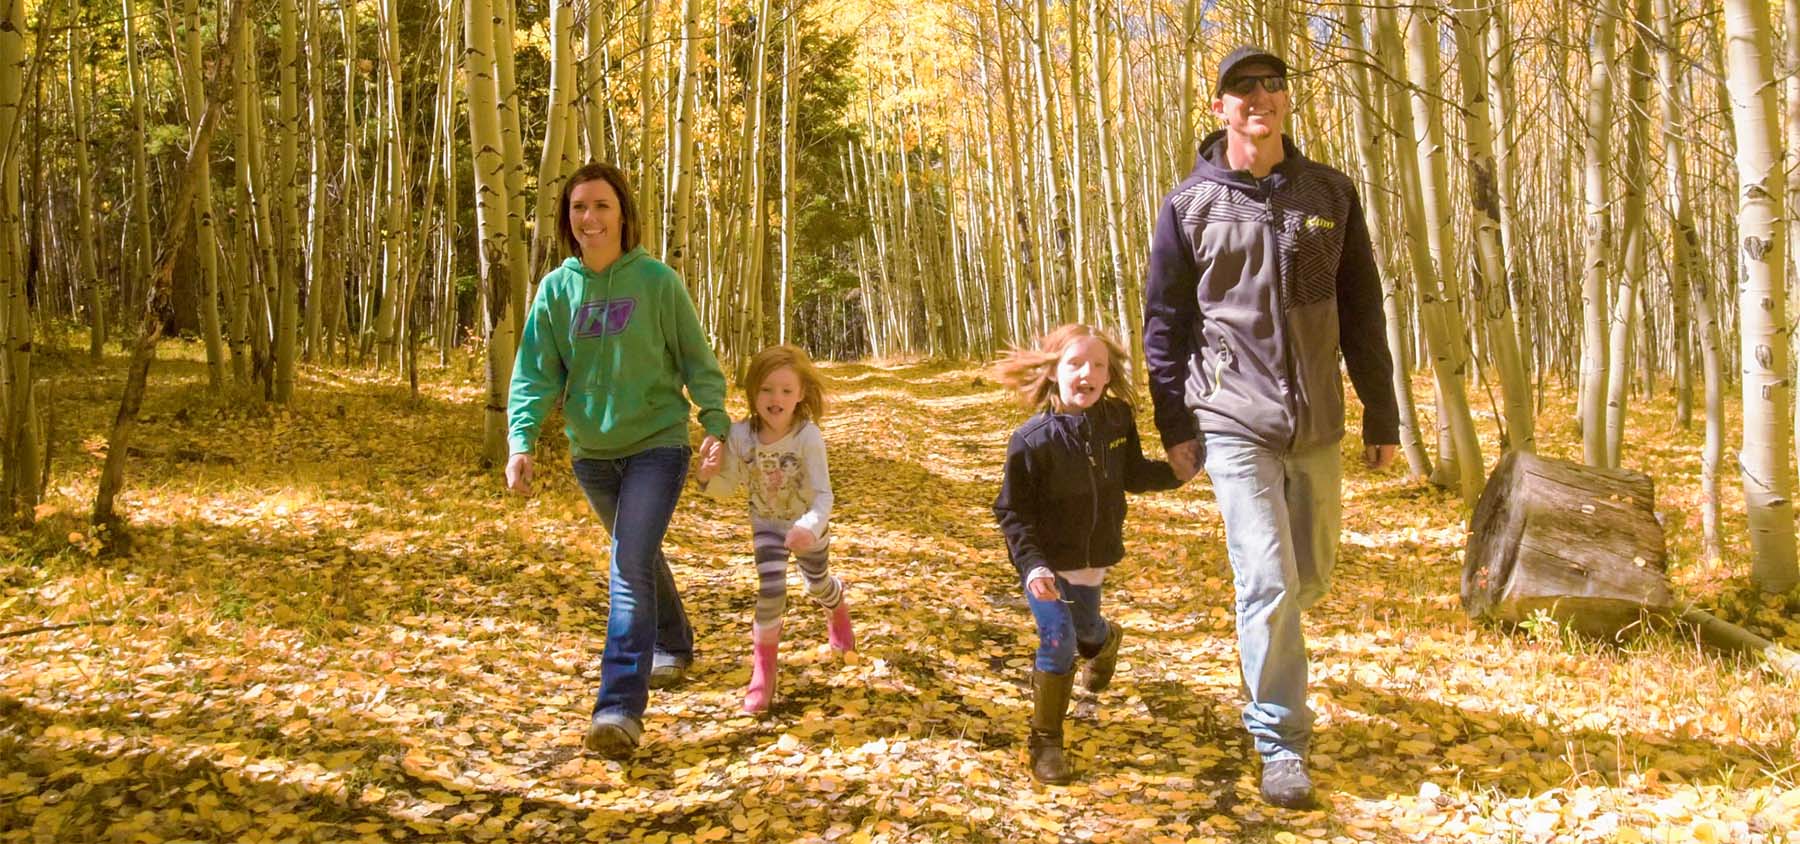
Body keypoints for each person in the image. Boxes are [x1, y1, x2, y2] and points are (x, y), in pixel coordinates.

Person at [1142, 45, 1400, 809]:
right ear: (1218, 108)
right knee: (1266, 581)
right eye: (1241, 88)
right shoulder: (1189, 205)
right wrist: (1174, 421)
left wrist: (1379, 410)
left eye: (1272, 85)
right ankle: (1281, 742)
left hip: (1317, 420)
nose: (1259, 96)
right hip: (1231, 418)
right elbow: (1165, 321)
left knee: (1307, 579)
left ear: (1286, 102)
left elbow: (1362, 310)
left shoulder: (1329, 192)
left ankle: (1269, 657)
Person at [504, 162, 730, 759]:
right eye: (579, 207)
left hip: (658, 443)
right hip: (593, 455)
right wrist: (520, 440)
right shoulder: (557, 290)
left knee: (627, 563)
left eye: (602, 206)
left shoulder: (656, 282)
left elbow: (694, 357)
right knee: (640, 554)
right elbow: (535, 371)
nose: (590, 218)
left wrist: (714, 420)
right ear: (566, 218)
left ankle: (618, 708)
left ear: (623, 214)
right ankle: (675, 642)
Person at [992, 324, 1180, 784]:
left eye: (1098, 364)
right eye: (1075, 363)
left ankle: (1106, 641)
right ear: (1053, 371)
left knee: (1088, 634)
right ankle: (1046, 742)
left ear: (1109, 374)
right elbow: (1011, 511)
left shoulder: (1117, 420)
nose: (1087, 373)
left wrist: (1177, 474)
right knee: (1058, 638)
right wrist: (1032, 564)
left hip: (1093, 560)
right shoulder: (1031, 440)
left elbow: (1132, 474)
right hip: (1046, 565)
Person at [695, 344, 856, 714]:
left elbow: (823, 497)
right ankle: (763, 673)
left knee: (817, 583)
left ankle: (836, 604)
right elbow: (728, 486)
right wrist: (706, 478)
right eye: (766, 389)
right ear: (752, 392)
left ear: (800, 395)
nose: (775, 398)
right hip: (766, 525)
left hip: (806, 526)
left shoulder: (807, 437)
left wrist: (808, 527)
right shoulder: (740, 435)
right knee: (771, 591)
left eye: (785, 390)